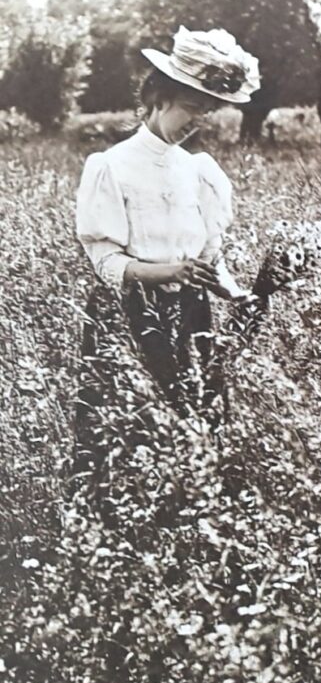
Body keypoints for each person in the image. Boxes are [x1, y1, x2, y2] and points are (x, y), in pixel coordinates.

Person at [72, 27, 260, 488]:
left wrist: (237, 292)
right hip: (130, 316)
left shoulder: (198, 171)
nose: (198, 120)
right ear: (158, 96)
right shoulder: (111, 166)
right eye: (192, 107)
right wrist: (169, 272)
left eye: (207, 111)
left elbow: (208, 258)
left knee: (197, 429)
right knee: (125, 434)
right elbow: (106, 263)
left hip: (192, 317)